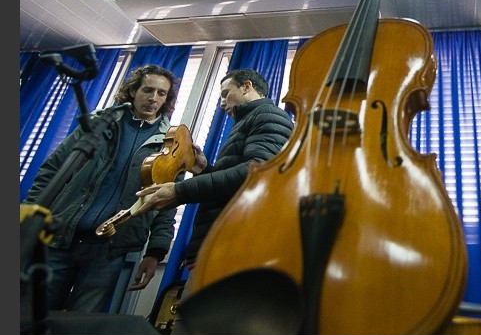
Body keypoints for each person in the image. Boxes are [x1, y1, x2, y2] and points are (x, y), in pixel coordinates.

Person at [23, 64, 182, 313]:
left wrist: (155, 251)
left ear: (167, 99)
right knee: (31, 316)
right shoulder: (98, 124)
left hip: (109, 251)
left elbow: (167, 203)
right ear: (133, 91)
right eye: (148, 90)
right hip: (60, 239)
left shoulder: (170, 145)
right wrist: (29, 217)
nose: (153, 98)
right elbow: (52, 171)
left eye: (161, 93)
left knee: (81, 324)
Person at [136, 68, 294, 271]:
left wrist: (179, 191)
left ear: (246, 86)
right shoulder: (248, 120)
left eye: (226, 94)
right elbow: (231, 189)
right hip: (222, 242)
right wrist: (204, 169)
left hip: (233, 245)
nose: (222, 103)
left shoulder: (269, 115)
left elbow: (258, 173)